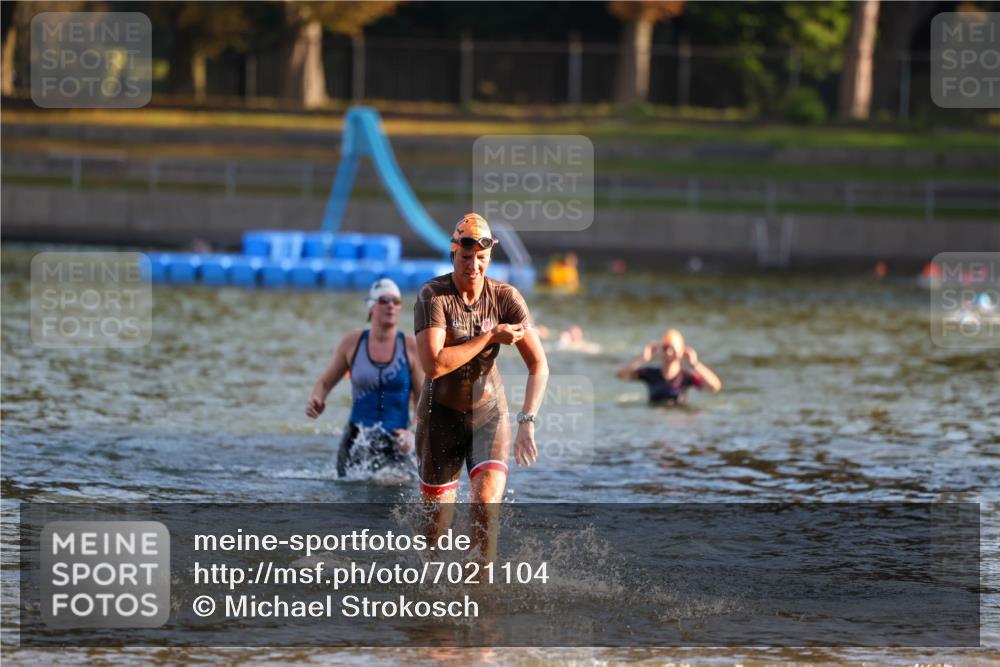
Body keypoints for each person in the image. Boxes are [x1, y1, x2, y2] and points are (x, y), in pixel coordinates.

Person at [414, 212, 549, 563]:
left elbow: (538, 365)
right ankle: (430, 603)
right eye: (466, 257)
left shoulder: (506, 298)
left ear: (489, 257)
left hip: (489, 414)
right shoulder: (433, 296)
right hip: (439, 415)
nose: (473, 266)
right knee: (434, 533)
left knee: (485, 509)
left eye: (481, 259)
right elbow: (435, 365)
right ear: (453, 254)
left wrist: (527, 421)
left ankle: (481, 600)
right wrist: (489, 335)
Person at [306, 279, 423, 477]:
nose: (391, 306)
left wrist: (414, 433)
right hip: (358, 438)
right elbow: (324, 383)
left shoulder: (411, 347)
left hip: (398, 440)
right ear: (371, 306)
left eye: (396, 301)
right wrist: (317, 399)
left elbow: (424, 399)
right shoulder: (352, 343)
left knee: (392, 486)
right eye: (384, 300)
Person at [616, 328, 722, 404]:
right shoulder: (650, 374)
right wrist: (643, 358)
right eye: (666, 348)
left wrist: (695, 364)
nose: (669, 353)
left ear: (681, 351)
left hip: (679, 420)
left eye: (673, 349)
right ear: (660, 350)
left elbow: (714, 387)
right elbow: (620, 375)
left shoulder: (686, 377)